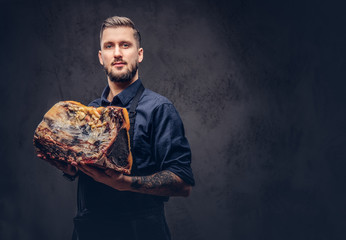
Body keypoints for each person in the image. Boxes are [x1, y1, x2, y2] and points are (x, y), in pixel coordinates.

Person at [41, 16, 195, 240]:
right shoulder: (88, 112)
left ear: (139, 54)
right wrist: (70, 169)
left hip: (141, 233)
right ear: (101, 57)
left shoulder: (159, 109)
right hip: (89, 231)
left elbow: (182, 183)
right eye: (109, 46)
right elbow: (82, 167)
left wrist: (124, 184)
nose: (117, 53)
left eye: (125, 45)